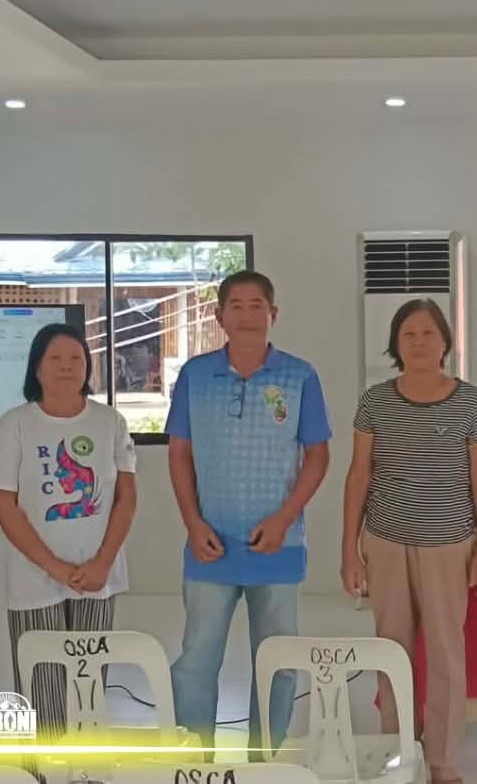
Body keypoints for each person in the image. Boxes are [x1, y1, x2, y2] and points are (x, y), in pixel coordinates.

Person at [165, 269, 331, 760]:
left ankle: (266, 759)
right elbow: (179, 453)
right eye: (236, 306)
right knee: (197, 657)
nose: (247, 315)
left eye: (257, 305)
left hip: (278, 545)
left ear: (272, 314)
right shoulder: (196, 376)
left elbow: (318, 455)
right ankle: (196, 758)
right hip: (209, 545)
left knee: (277, 660)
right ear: (219, 317)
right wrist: (193, 523)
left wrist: (284, 519)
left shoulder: (300, 376)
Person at [341, 299, 477, 784]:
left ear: (445, 341)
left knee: (446, 652)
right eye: (409, 335)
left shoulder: (469, 402)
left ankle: (442, 760)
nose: (419, 342)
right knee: (391, 648)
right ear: (396, 344)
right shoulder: (375, 400)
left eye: (428, 333)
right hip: (386, 541)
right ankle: (397, 750)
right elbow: (359, 475)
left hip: (448, 544)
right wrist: (349, 548)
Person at [0, 323, 137, 739]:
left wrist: (102, 563)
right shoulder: (15, 424)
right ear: (36, 367)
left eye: (76, 358)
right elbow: (2, 503)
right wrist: (54, 567)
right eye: (55, 358)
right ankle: (41, 766)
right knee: (41, 688)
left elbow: (126, 499)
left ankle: (85, 765)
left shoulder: (109, 421)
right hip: (34, 578)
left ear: (88, 366)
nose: (66, 366)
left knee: (89, 686)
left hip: (97, 577)